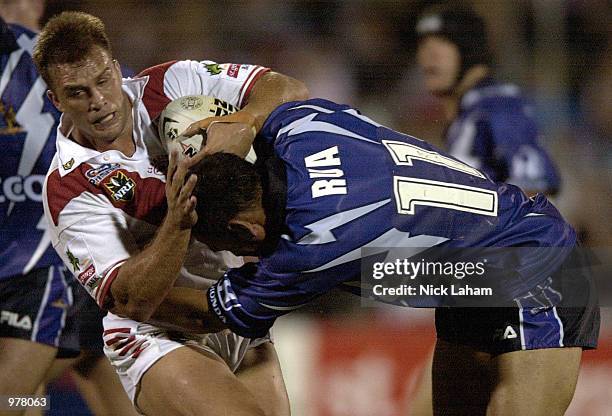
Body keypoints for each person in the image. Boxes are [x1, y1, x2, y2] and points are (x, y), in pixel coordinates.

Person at [187, 98, 599, 416]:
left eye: (225, 245)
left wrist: (123, 294)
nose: (232, 256)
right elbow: (280, 91)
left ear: (243, 230)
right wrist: (239, 122)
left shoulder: (311, 245)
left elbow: (210, 314)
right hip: (467, 276)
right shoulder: (301, 124)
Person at [37, 11, 308, 416]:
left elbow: (289, 89)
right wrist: (178, 222)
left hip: (233, 307)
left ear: (115, 68)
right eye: (77, 93)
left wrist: (244, 122)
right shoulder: (68, 187)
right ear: (56, 100)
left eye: (103, 81)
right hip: (158, 333)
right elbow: (130, 300)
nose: (98, 103)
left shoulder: (173, 83)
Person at [411, 6, 563, 414]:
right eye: (423, 45)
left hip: (514, 291)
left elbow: (534, 186)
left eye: (441, 44)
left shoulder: (497, 106)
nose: (429, 56)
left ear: (470, 50)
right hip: (471, 293)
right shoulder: (466, 118)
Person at [0, 3, 135, 415]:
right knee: (30, 395)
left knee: (12, 398)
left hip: (48, 260)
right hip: (41, 259)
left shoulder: (56, 65)